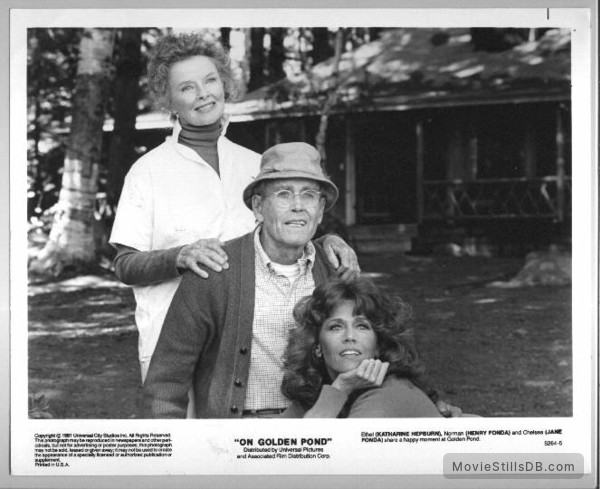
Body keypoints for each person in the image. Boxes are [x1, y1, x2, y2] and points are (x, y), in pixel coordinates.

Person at [109, 33, 359, 383]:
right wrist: (179, 256)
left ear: (224, 83)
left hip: (258, 344)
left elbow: (285, 235)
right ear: (168, 100)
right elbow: (124, 265)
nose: (204, 93)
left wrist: (327, 241)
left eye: (210, 80)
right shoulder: (147, 171)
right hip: (175, 346)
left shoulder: (257, 165)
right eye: (187, 87)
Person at [144, 142, 339, 418]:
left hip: (317, 429)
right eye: (284, 194)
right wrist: (170, 449)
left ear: (319, 210)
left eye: (308, 195)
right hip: (238, 433)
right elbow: (168, 377)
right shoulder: (215, 269)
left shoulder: (335, 270)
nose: (298, 206)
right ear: (258, 207)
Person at [280, 278, 444, 418]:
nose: (350, 336)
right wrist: (338, 390)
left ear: (378, 345)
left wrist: (340, 389)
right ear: (317, 347)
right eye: (336, 327)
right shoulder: (321, 392)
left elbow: (316, 450)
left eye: (362, 326)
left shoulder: (387, 394)